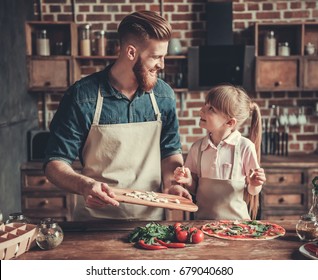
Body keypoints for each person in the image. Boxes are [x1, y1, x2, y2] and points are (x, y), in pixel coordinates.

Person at [44, 10, 191, 221]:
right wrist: (85, 185)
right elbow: (54, 164)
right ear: (131, 52)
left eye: (164, 56)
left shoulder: (163, 95)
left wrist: (172, 184)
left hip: (151, 221)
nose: (162, 64)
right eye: (156, 56)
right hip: (96, 222)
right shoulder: (82, 96)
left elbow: (169, 152)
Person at [174, 84, 266, 220]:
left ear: (229, 122)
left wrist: (254, 184)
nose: (201, 110)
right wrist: (188, 181)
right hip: (202, 225)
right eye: (205, 105)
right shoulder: (197, 148)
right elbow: (195, 190)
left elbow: (253, 191)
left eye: (210, 108)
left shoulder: (245, 147)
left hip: (237, 228)